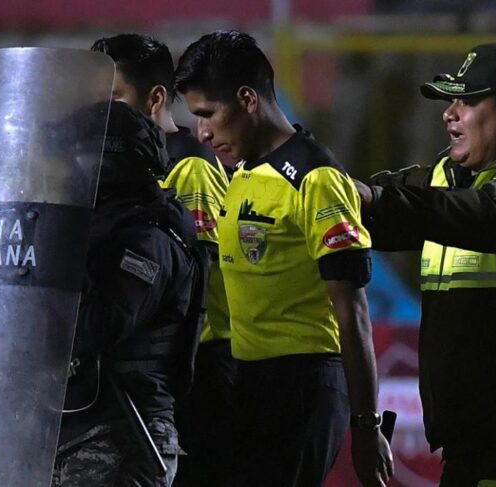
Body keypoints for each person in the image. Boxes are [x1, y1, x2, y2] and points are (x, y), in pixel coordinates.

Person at [175, 30, 393, 487]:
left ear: (247, 99)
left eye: (208, 114)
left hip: (303, 383)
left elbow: (353, 312)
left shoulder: (317, 179)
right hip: (248, 381)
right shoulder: (242, 173)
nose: (202, 132)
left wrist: (366, 426)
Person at [354, 41, 496, 486]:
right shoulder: (453, 178)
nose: (449, 114)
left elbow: (493, 216)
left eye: (465, 102)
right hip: (466, 451)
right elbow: (384, 216)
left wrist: (377, 199)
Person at [90, 34, 235, 487]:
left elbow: (199, 286)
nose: (102, 112)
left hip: (187, 370)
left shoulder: (186, 169)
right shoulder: (113, 170)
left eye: (114, 98)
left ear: (154, 99)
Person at [53, 100, 202, 487]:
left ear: (110, 162)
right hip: (75, 426)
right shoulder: (98, 230)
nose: (69, 171)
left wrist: (43, 292)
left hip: (125, 432)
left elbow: (100, 323)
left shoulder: (149, 239)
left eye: (79, 156)